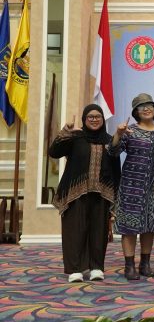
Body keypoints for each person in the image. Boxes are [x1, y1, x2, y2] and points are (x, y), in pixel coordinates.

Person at [49, 104, 120, 283]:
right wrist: (66, 131)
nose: (94, 119)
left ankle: (96, 268)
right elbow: (53, 152)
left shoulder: (109, 140)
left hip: (102, 193)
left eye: (98, 117)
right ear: (84, 119)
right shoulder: (75, 137)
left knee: (99, 232)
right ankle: (75, 270)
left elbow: (116, 169)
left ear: (103, 119)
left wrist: (116, 194)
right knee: (75, 231)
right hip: (76, 193)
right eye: (91, 117)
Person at [109, 93, 154, 281]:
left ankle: (145, 264)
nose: (146, 109)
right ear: (136, 112)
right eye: (141, 106)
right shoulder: (129, 131)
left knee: (148, 226)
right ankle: (129, 266)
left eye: (149, 105)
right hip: (130, 186)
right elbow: (113, 152)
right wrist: (118, 134)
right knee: (129, 227)